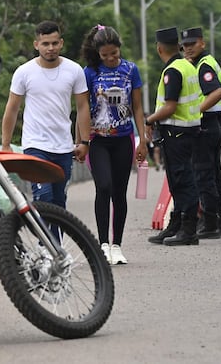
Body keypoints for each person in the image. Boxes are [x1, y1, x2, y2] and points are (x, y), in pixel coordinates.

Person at [1, 20, 91, 211]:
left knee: (59, 201)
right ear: (36, 45)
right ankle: (43, 242)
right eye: (45, 44)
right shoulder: (24, 72)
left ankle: (53, 242)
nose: (50, 48)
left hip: (64, 147)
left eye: (54, 43)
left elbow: (82, 106)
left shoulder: (74, 70)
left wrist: (84, 142)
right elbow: (12, 108)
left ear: (61, 43)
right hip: (35, 145)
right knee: (43, 196)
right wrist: (6, 144)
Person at [80, 25, 147, 265]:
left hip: (124, 139)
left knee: (119, 193)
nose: (110, 59)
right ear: (97, 53)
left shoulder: (131, 70)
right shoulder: (89, 72)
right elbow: (83, 108)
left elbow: (137, 107)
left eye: (114, 54)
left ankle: (117, 244)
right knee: (104, 187)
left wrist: (143, 140)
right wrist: (83, 141)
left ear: (120, 50)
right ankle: (103, 244)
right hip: (98, 140)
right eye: (105, 55)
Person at [145, 27, 202, 246]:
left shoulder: (173, 71)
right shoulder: (186, 65)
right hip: (187, 131)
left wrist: (149, 120)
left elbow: (170, 107)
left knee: (183, 181)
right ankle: (176, 224)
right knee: (178, 181)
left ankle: (188, 230)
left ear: (159, 49)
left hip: (177, 132)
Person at [180, 27, 221, 240]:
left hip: (206, 122)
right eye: (185, 46)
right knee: (214, 173)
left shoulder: (203, 65)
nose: (187, 49)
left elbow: (217, 92)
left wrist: (193, 111)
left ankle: (209, 222)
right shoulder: (205, 62)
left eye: (192, 44)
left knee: (203, 174)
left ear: (202, 43)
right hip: (216, 122)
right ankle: (218, 221)